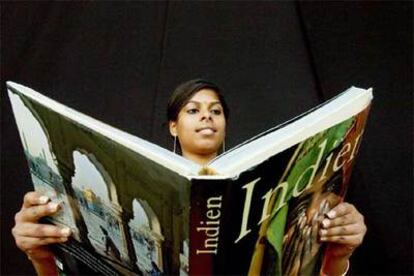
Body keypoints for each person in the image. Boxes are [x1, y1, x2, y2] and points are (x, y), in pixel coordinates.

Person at [12, 79, 366, 275]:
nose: (207, 117)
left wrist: (337, 257)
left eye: (215, 111)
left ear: (225, 125)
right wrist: (42, 257)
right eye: (193, 110)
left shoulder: (263, 187)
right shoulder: (146, 182)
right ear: (173, 126)